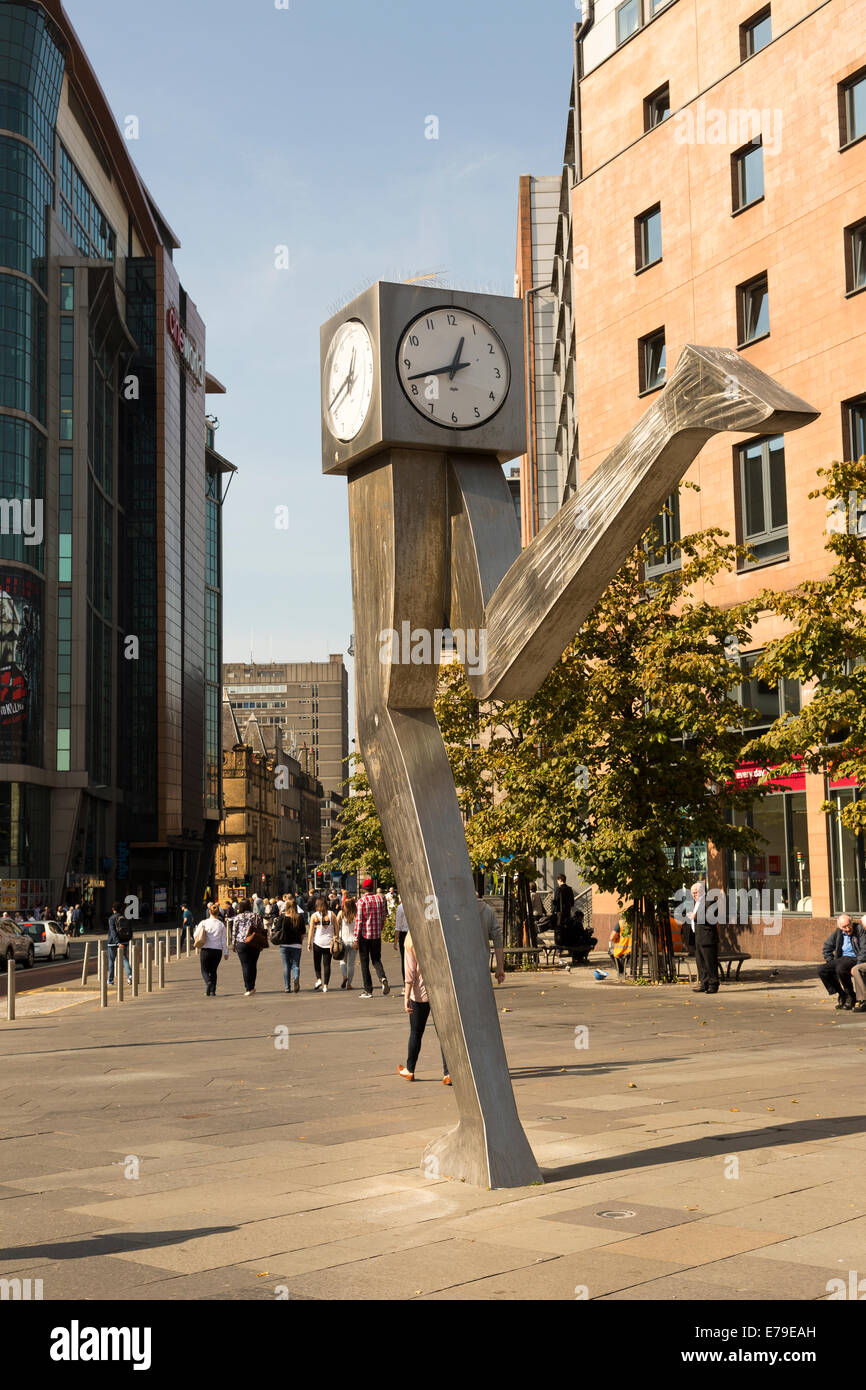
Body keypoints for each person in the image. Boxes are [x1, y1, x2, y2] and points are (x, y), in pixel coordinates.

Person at [398, 931, 450, 1083]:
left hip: (420, 993)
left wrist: (406, 996)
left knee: (416, 1032)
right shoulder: (437, 935)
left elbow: (410, 973)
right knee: (443, 1034)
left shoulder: (411, 940)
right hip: (440, 990)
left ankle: (410, 1069)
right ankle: (448, 1072)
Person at [819, 914, 866, 1010]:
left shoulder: (859, 929)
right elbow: (827, 947)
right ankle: (842, 994)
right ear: (839, 927)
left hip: (854, 958)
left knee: (841, 967)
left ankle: (850, 996)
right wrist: (830, 961)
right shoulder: (838, 933)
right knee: (822, 970)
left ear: (852, 923)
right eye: (844, 927)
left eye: (849, 925)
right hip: (841, 959)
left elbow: (864, 949)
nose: (848, 929)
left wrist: (858, 964)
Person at [354, 878, 390, 998]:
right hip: (376, 935)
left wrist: (355, 938)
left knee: (364, 962)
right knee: (376, 959)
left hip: (365, 936)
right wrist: (380, 929)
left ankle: (368, 990)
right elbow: (384, 915)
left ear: (364, 888)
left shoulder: (361, 901)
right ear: (373, 887)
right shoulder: (380, 899)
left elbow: (359, 921)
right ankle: (382, 977)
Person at [231, 897, 264, 997]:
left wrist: (233, 944)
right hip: (254, 942)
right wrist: (261, 943)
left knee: (245, 965)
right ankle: (252, 986)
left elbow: (234, 932)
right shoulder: (256, 916)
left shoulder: (237, 917)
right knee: (253, 964)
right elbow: (261, 929)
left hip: (241, 942)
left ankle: (248, 987)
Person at [691, 881, 719, 994]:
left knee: (710, 962)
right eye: (692, 893)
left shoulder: (710, 900)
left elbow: (712, 917)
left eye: (696, 892)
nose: (694, 895)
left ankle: (713, 985)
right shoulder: (695, 902)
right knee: (701, 963)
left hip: (708, 937)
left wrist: (696, 916)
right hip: (698, 936)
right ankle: (704, 984)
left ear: (702, 890)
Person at [194, 902, 228, 996]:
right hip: (217, 950)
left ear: (209, 912)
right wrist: (225, 952)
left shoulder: (203, 923)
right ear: (218, 913)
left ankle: (208, 982)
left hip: (205, 949)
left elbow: (195, 935)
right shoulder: (221, 925)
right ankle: (213, 991)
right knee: (213, 970)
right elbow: (223, 940)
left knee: (204, 969)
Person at [307, 896, 337, 992]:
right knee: (327, 964)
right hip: (329, 943)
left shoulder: (314, 916)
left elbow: (311, 930)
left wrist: (309, 943)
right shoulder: (332, 914)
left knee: (317, 962)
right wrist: (336, 937)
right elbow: (337, 928)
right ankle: (325, 986)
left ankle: (319, 979)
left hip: (317, 942)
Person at [477, 888, 506, 983]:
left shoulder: (455, 910)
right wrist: (500, 967)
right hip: (482, 963)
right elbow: (497, 940)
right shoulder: (488, 911)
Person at [278, 895, 306, 992]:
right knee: (295, 965)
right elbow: (303, 932)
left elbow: (277, 930)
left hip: (284, 945)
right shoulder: (300, 918)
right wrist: (300, 942)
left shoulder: (283, 918)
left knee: (286, 966)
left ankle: (287, 987)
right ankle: (296, 976)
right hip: (296, 945)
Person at [107, 902, 133, 986]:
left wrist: (117, 942)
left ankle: (110, 980)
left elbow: (113, 931)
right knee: (124, 958)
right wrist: (128, 939)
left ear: (113, 909)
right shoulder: (125, 917)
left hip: (113, 942)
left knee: (111, 961)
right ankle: (129, 976)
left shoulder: (111, 918)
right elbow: (130, 930)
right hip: (124, 941)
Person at [337, 895, 357, 989]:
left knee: (342, 961)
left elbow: (336, 925)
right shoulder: (356, 914)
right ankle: (349, 983)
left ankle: (344, 976)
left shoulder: (341, 913)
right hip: (354, 941)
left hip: (343, 941)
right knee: (351, 964)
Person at [552, 874, 574, 958]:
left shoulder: (559, 890)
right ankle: (569, 950)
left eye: (557, 880)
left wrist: (553, 903)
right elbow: (572, 903)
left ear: (560, 880)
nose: (557, 882)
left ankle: (559, 951)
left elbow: (555, 902)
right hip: (567, 913)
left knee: (558, 931)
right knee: (568, 931)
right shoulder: (570, 889)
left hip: (560, 914)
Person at [609, 910, 633, 976]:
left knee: (610, 951)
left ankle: (621, 971)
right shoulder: (635, 923)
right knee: (623, 957)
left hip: (620, 949)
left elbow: (611, 938)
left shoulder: (621, 923)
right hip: (632, 949)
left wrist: (617, 939)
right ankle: (622, 971)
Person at [394, 895, 408, 982]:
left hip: (404, 934)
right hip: (413, 933)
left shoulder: (400, 908)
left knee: (404, 959)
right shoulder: (413, 905)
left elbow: (398, 927)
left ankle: (405, 982)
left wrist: (395, 941)